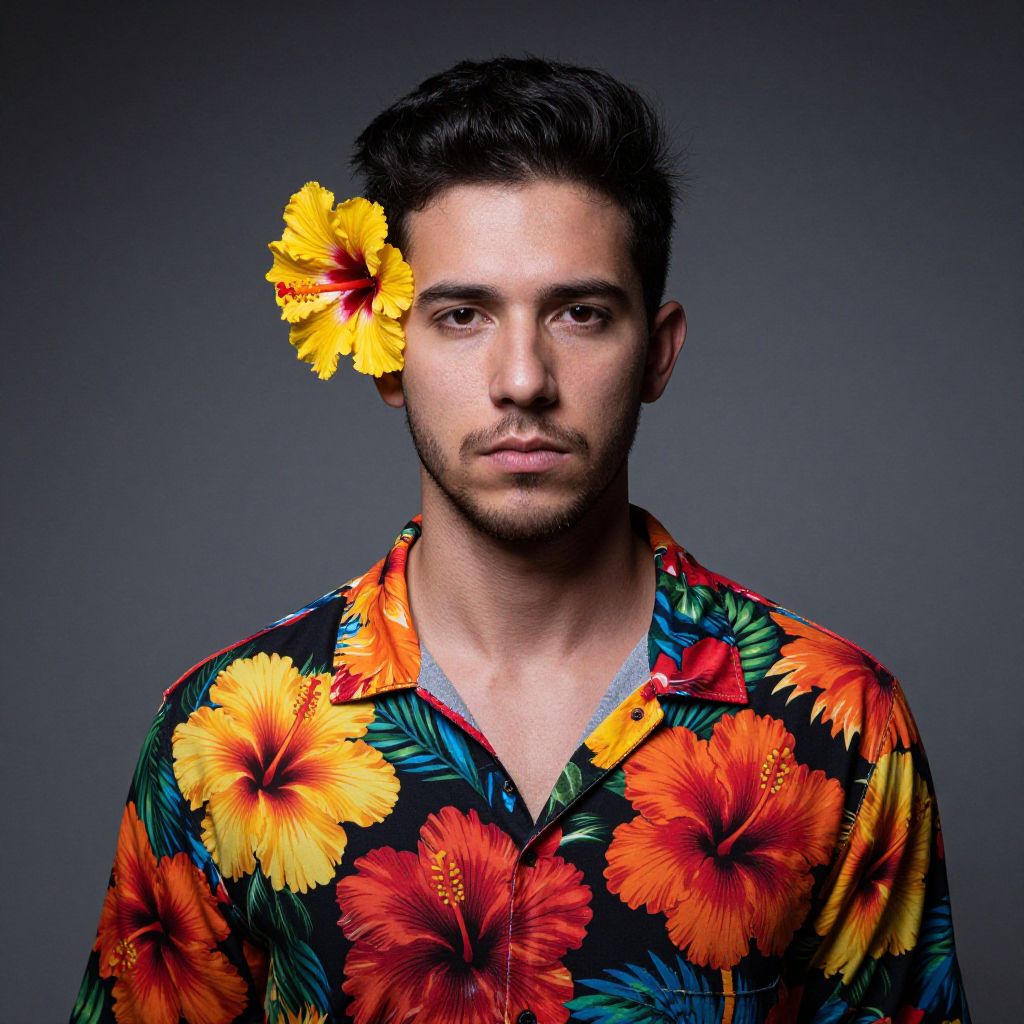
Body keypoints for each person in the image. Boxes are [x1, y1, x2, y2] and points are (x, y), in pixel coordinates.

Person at [69, 56, 971, 1024]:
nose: (523, 380)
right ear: (385, 353)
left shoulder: (837, 723)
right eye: (462, 316)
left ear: (657, 352)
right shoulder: (224, 734)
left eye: (580, 314)